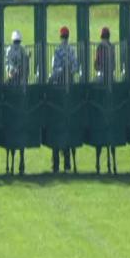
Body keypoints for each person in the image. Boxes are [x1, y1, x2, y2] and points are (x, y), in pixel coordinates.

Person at [50, 26, 79, 173]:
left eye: (64, 37)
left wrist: (62, 71)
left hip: (58, 89)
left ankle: (56, 164)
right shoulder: (72, 51)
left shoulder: (57, 51)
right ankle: (67, 164)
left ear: (61, 37)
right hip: (70, 87)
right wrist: (68, 70)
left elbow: (54, 70)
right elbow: (76, 68)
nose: (65, 39)